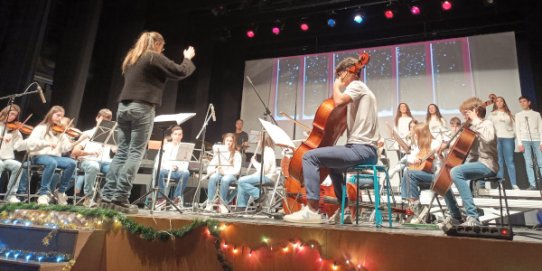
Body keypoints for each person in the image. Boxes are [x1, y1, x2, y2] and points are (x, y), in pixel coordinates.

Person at [100, 31, 196, 213]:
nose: (163, 49)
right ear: (158, 44)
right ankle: (119, 199)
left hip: (123, 107)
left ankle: (107, 197)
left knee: (122, 153)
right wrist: (187, 58)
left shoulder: (132, 58)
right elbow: (179, 71)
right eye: (163, 46)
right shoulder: (153, 56)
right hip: (141, 107)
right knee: (135, 153)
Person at [283, 56, 379, 224]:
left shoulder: (356, 86)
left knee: (309, 157)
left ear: (347, 73)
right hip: (367, 151)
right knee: (333, 166)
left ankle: (312, 210)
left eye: (339, 75)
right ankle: (345, 211)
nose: (339, 79)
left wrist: (336, 84)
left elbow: (339, 100)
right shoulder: (363, 93)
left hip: (360, 149)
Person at [439, 97, 498, 228]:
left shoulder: (486, 123)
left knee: (456, 171)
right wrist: (446, 147)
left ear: (475, 111)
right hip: (474, 164)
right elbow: (460, 146)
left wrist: (476, 121)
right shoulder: (471, 128)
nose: (465, 117)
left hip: (487, 164)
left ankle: (473, 216)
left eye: (467, 113)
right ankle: (455, 216)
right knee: (442, 177)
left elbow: (488, 139)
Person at [22, 106, 78, 205]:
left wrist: (79, 141)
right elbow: (32, 142)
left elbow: (66, 148)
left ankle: (60, 192)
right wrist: (46, 143)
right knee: (52, 162)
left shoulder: (60, 131)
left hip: (54, 157)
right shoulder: (40, 128)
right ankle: (43, 194)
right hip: (38, 155)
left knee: (72, 163)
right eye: (58, 115)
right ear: (51, 114)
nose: (60, 118)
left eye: (62, 116)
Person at [72, 108, 114, 207]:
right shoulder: (88, 133)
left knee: (117, 168)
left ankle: (104, 196)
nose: (104, 123)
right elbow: (75, 151)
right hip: (88, 161)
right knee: (93, 166)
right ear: (97, 118)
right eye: (102, 120)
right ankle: (88, 197)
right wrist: (89, 152)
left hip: (104, 162)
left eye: (107, 122)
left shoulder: (111, 135)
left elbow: (115, 150)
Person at [404, 123, 442, 222]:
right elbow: (410, 158)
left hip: (435, 176)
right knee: (407, 171)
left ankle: (415, 207)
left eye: (416, 133)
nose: (414, 136)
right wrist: (415, 159)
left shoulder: (435, 143)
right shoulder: (419, 146)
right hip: (424, 174)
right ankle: (414, 205)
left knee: (409, 173)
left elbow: (436, 157)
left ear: (422, 133)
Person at [235, 133, 276, 212]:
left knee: (241, 181)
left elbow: (265, 170)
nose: (258, 142)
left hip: (268, 178)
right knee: (242, 181)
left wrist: (254, 162)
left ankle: (258, 194)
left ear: (263, 141)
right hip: (264, 176)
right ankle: (241, 207)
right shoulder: (266, 151)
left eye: (259, 140)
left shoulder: (268, 151)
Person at [154, 126, 191, 208]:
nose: (177, 137)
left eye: (179, 134)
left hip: (178, 172)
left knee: (186, 172)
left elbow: (186, 164)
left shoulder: (185, 148)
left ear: (182, 136)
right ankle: (161, 198)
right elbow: (158, 162)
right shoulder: (165, 146)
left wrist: (177, 168)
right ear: (172, 135)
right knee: (158, 171)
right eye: (175, 134)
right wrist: (169, 166)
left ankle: (176, 198)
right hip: (166, 170)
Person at [205, 133, 242, 213]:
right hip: (219, 173)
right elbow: (211, 165)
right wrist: (213, 171)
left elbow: (237, 170)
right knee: (213, 177)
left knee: (225, 179)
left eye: (230, 141)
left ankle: (222, 203)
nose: (228, 142)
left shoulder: (236, 154)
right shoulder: (219, 152)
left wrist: (224, 172)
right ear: (224, 141)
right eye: (227, 140)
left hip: (231, 175)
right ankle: (210, 203)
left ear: (233, 143)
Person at [488, 97, 518, 190]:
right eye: (497, 101)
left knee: (510, 161)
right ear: (495, 103)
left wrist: (514, 136)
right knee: (499, 162)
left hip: (508, 138)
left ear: (504, 103)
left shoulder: (509, 114)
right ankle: (500, 184)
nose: (499, 102)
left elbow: (515, 126)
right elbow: (489, 127)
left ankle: (514, 184)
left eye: (501, 101)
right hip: (497, 139)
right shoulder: (492, 115)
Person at [515, 96, 542, 190]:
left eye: (524, 101)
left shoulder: (536, 114)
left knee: (541, 161)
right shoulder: (518, 115)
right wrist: (519, 143)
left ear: (529, 102)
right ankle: (533, 184)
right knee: (528, 162)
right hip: (524, 140)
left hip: (536, 139)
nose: (522, 103)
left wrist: (541, 142)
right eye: (520, 102)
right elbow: (517, 130)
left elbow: (540, 128)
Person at [0, 104, 26, 203]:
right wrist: (2, 137)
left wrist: (27, 142)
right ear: (6, 112)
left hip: (6, 158)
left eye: (15, 115)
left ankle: (10, 195)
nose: (12, 117)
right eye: (11, 114)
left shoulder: (14, 131)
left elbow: (18, 147)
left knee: (18, 165)